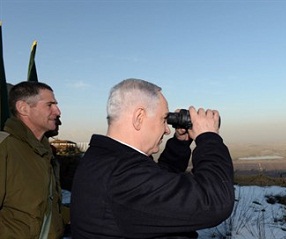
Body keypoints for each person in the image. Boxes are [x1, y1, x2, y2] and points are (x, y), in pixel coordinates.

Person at [71, 78, 235, 238]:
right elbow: (215, 201)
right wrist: (208, 138)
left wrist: (180, 143)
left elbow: (159, 184)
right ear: (139, 117)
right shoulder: (122, 176)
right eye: (164, 119)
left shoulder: (106, 160)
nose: (167, 130)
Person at [0, 81, 65, 238]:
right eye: (50, 105)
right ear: (23, 108)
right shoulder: (5, 147)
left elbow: (47, 208)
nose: (58, 111)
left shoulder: (43, 152)